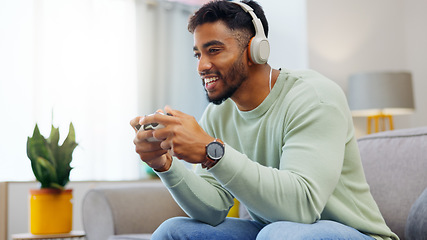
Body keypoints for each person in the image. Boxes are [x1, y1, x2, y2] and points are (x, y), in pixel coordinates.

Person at [130, 1, 398, 239]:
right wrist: (165, 166)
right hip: (273, 231)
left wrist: (211, 152)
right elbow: (212, 210)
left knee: (278, 233)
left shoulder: (314, 97)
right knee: (173, 230)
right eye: (198, 54)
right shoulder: (219, 112)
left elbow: (301, 207)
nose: (201, 66)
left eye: (214, 50)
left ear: (256, 51)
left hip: (353, 233)